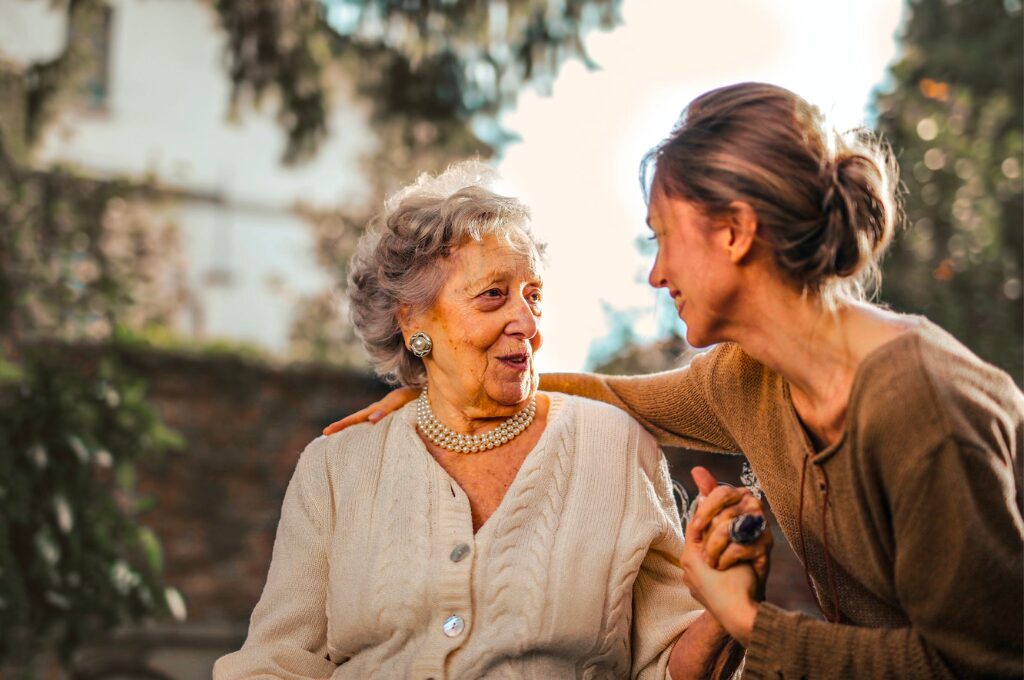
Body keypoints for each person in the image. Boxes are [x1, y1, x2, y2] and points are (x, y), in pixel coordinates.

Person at [325, 84, 1024, 679]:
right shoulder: (749, 379)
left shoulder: (920, 406)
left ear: (735, 232)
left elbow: (982, 663)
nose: (656, 274)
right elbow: (611, 395)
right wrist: (446, 387)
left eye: (662, 236)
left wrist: (746, 619)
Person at [214, 162, 772, 679]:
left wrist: (727, 612)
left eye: (533, 295)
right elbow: (276, 662)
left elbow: (666, 667)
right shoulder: (337, 467)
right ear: (413, 322)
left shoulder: (616, 449)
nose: (526, 322)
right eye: (493, 296)